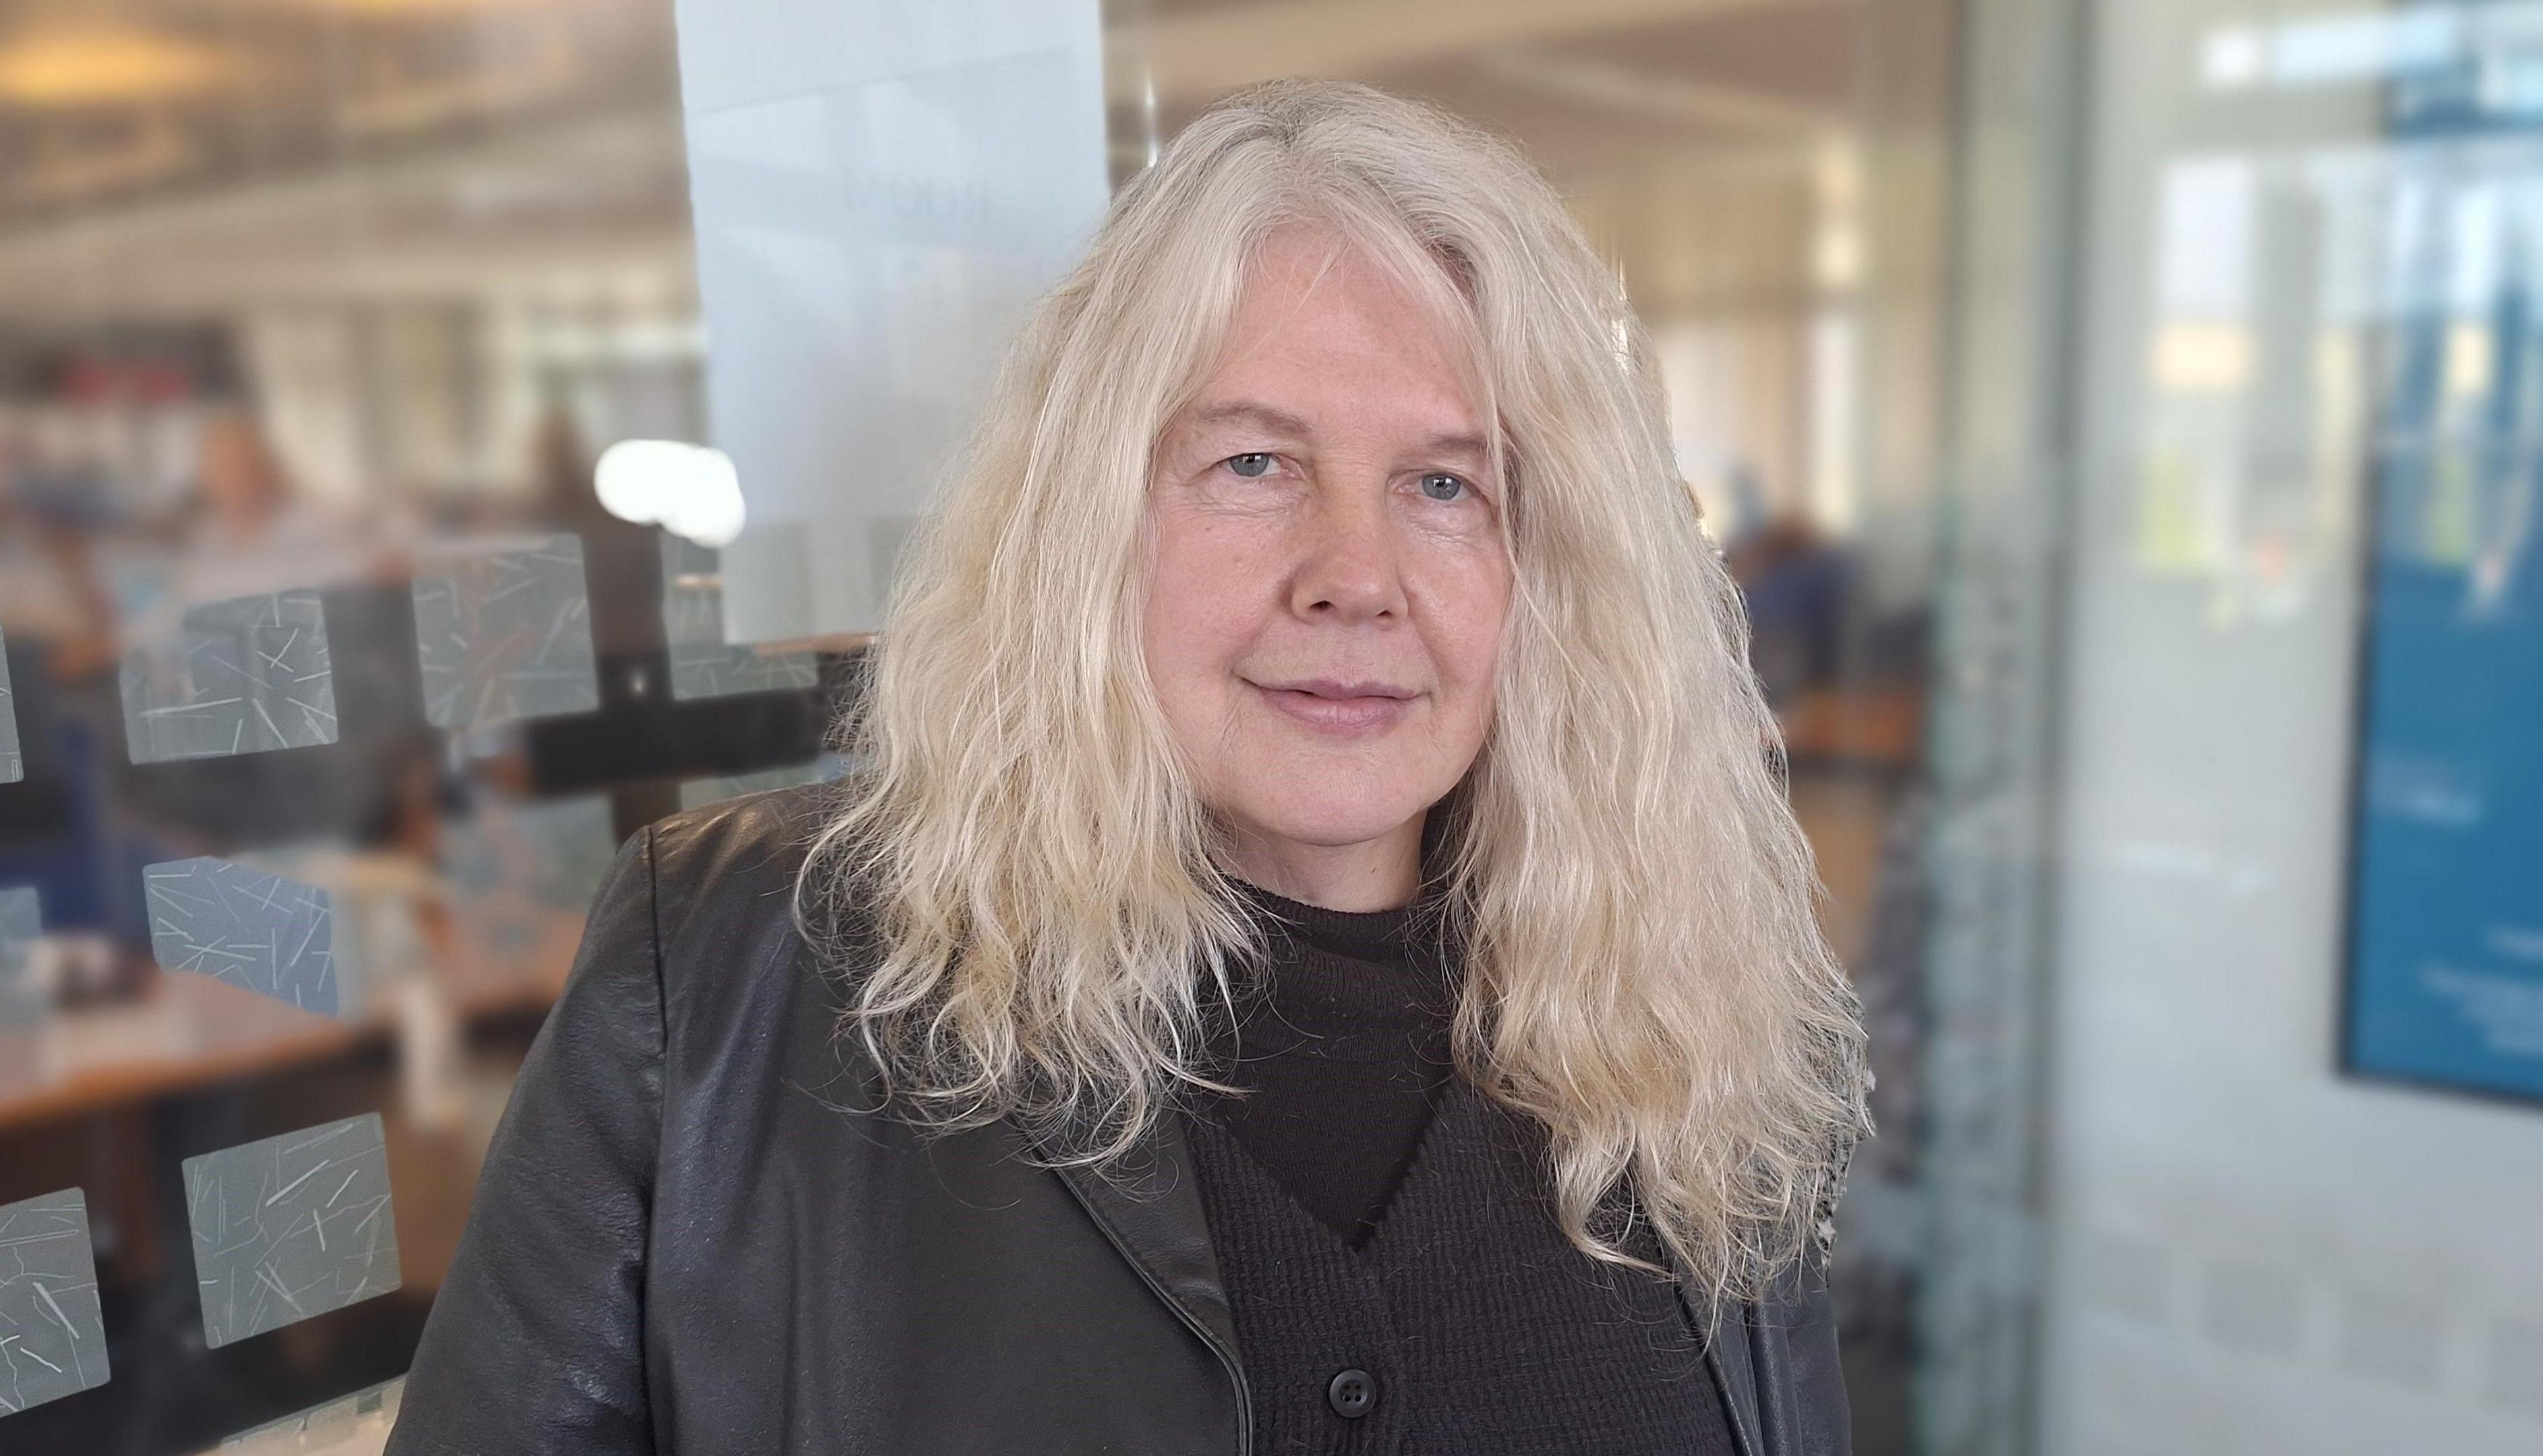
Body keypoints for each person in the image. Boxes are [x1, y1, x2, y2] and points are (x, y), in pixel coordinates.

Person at [386, 78, 1868, 1455]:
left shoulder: (1686, 1009)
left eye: (1443, 483)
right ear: (1089, 527)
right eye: (1253, 464)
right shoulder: (728, 976)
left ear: (1551, 564)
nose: (1357, 577)